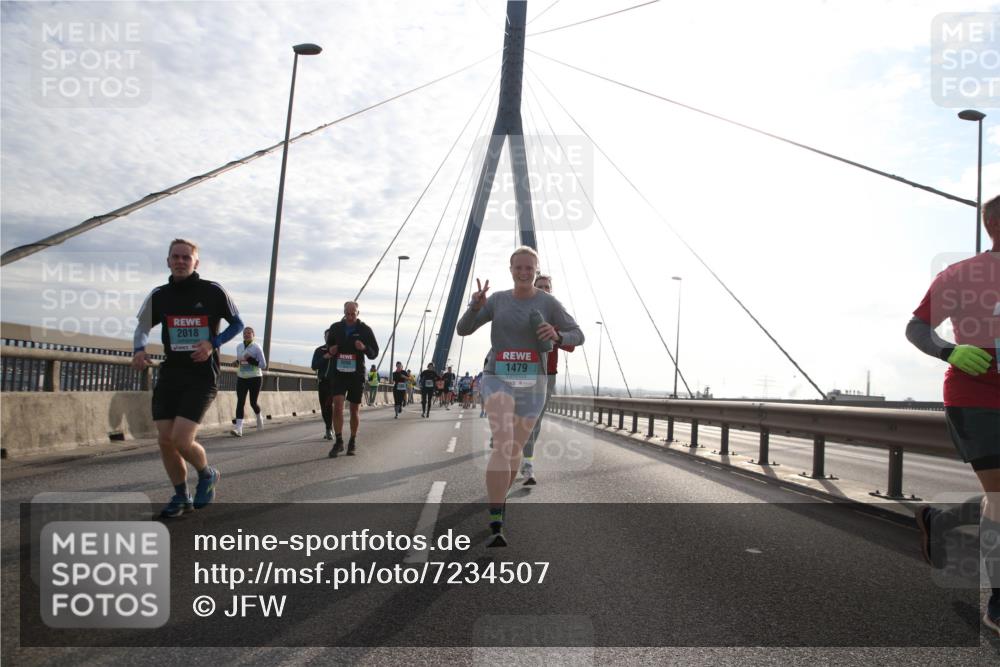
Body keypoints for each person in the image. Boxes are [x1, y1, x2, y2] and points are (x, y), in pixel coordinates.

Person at [907, 194, 1000, 636]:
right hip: (974, 397)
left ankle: (938, 521)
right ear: (995, 226)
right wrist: (950, 350)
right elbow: (917, 326)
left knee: (998, 495)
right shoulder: (961, 275)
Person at [457, 246, 584, 547]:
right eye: (519, 267)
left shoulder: (549, 303)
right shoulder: (498, 300)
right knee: (503, 441)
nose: (524, 272)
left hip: (534, 383)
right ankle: (496, 515)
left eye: (530, 268)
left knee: (515, 447)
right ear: (511, 269)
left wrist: (557, 336)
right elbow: (463, 329)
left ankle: (501, 500)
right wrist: (475, 306)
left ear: (536, 270)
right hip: (498, 377)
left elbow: (578, 334)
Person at [132, 238, 242, 518]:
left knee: (181, 439)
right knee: (165, 440)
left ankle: (207, 473)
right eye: (175, 257)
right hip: (171, 374)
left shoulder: (212, 291)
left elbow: (238, 324)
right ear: (168, 261)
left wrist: (212, 343)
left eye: (186, 257)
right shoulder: (160, 295)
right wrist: (139, 349)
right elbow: (142, 326)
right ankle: (181, 495)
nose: (180, 261)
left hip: (202, 377)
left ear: (196, 262)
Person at [521, 273, 576, 485]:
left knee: (534, 423)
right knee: (515, 421)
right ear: (533, 288)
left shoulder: (557, 317)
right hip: (520, 373)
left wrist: (555, 334)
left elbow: (571, 345)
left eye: (547, 286)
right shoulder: (521, 311)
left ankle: (527, 465)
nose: (544, 289)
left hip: (547, 377)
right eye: (540, 286)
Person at [325, 301, 379, 457]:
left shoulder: (365, 330)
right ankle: (339, 441)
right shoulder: (335, 328)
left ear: (357, 313)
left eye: (352, 314)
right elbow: (329, 347)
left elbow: (374, 352)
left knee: (354, 409)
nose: (349, 317)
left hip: (356, 375)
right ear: (344, 312)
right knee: (338, 406)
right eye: (347, 314)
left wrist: (363, 348)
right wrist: (332, 349)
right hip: (339, 373)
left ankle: (353, 441)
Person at [231, 326, 266, 437]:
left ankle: (259, 416)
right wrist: (237, 362)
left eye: (249, 333)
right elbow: (241, 359)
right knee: (240, 401)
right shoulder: (239, 347)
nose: (246, 335)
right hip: (242, 377)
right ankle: (238, 429)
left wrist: (250, 360)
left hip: (255, 378)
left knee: (253, 402)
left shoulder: (257, 347)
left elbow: (263, 365)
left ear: (253, 335)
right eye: (245, 333)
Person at [311, 329, 335, 440]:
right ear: (324, 337)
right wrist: (325, 357)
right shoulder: (319, 350)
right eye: (327, 335)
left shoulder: (338, 350)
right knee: (324, 407)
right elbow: (314, 366)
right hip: (323, 382)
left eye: (331, 335)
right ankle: (328, 427)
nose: (328, 337)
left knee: (329, 405)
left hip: (335, 383)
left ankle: (330, 429)